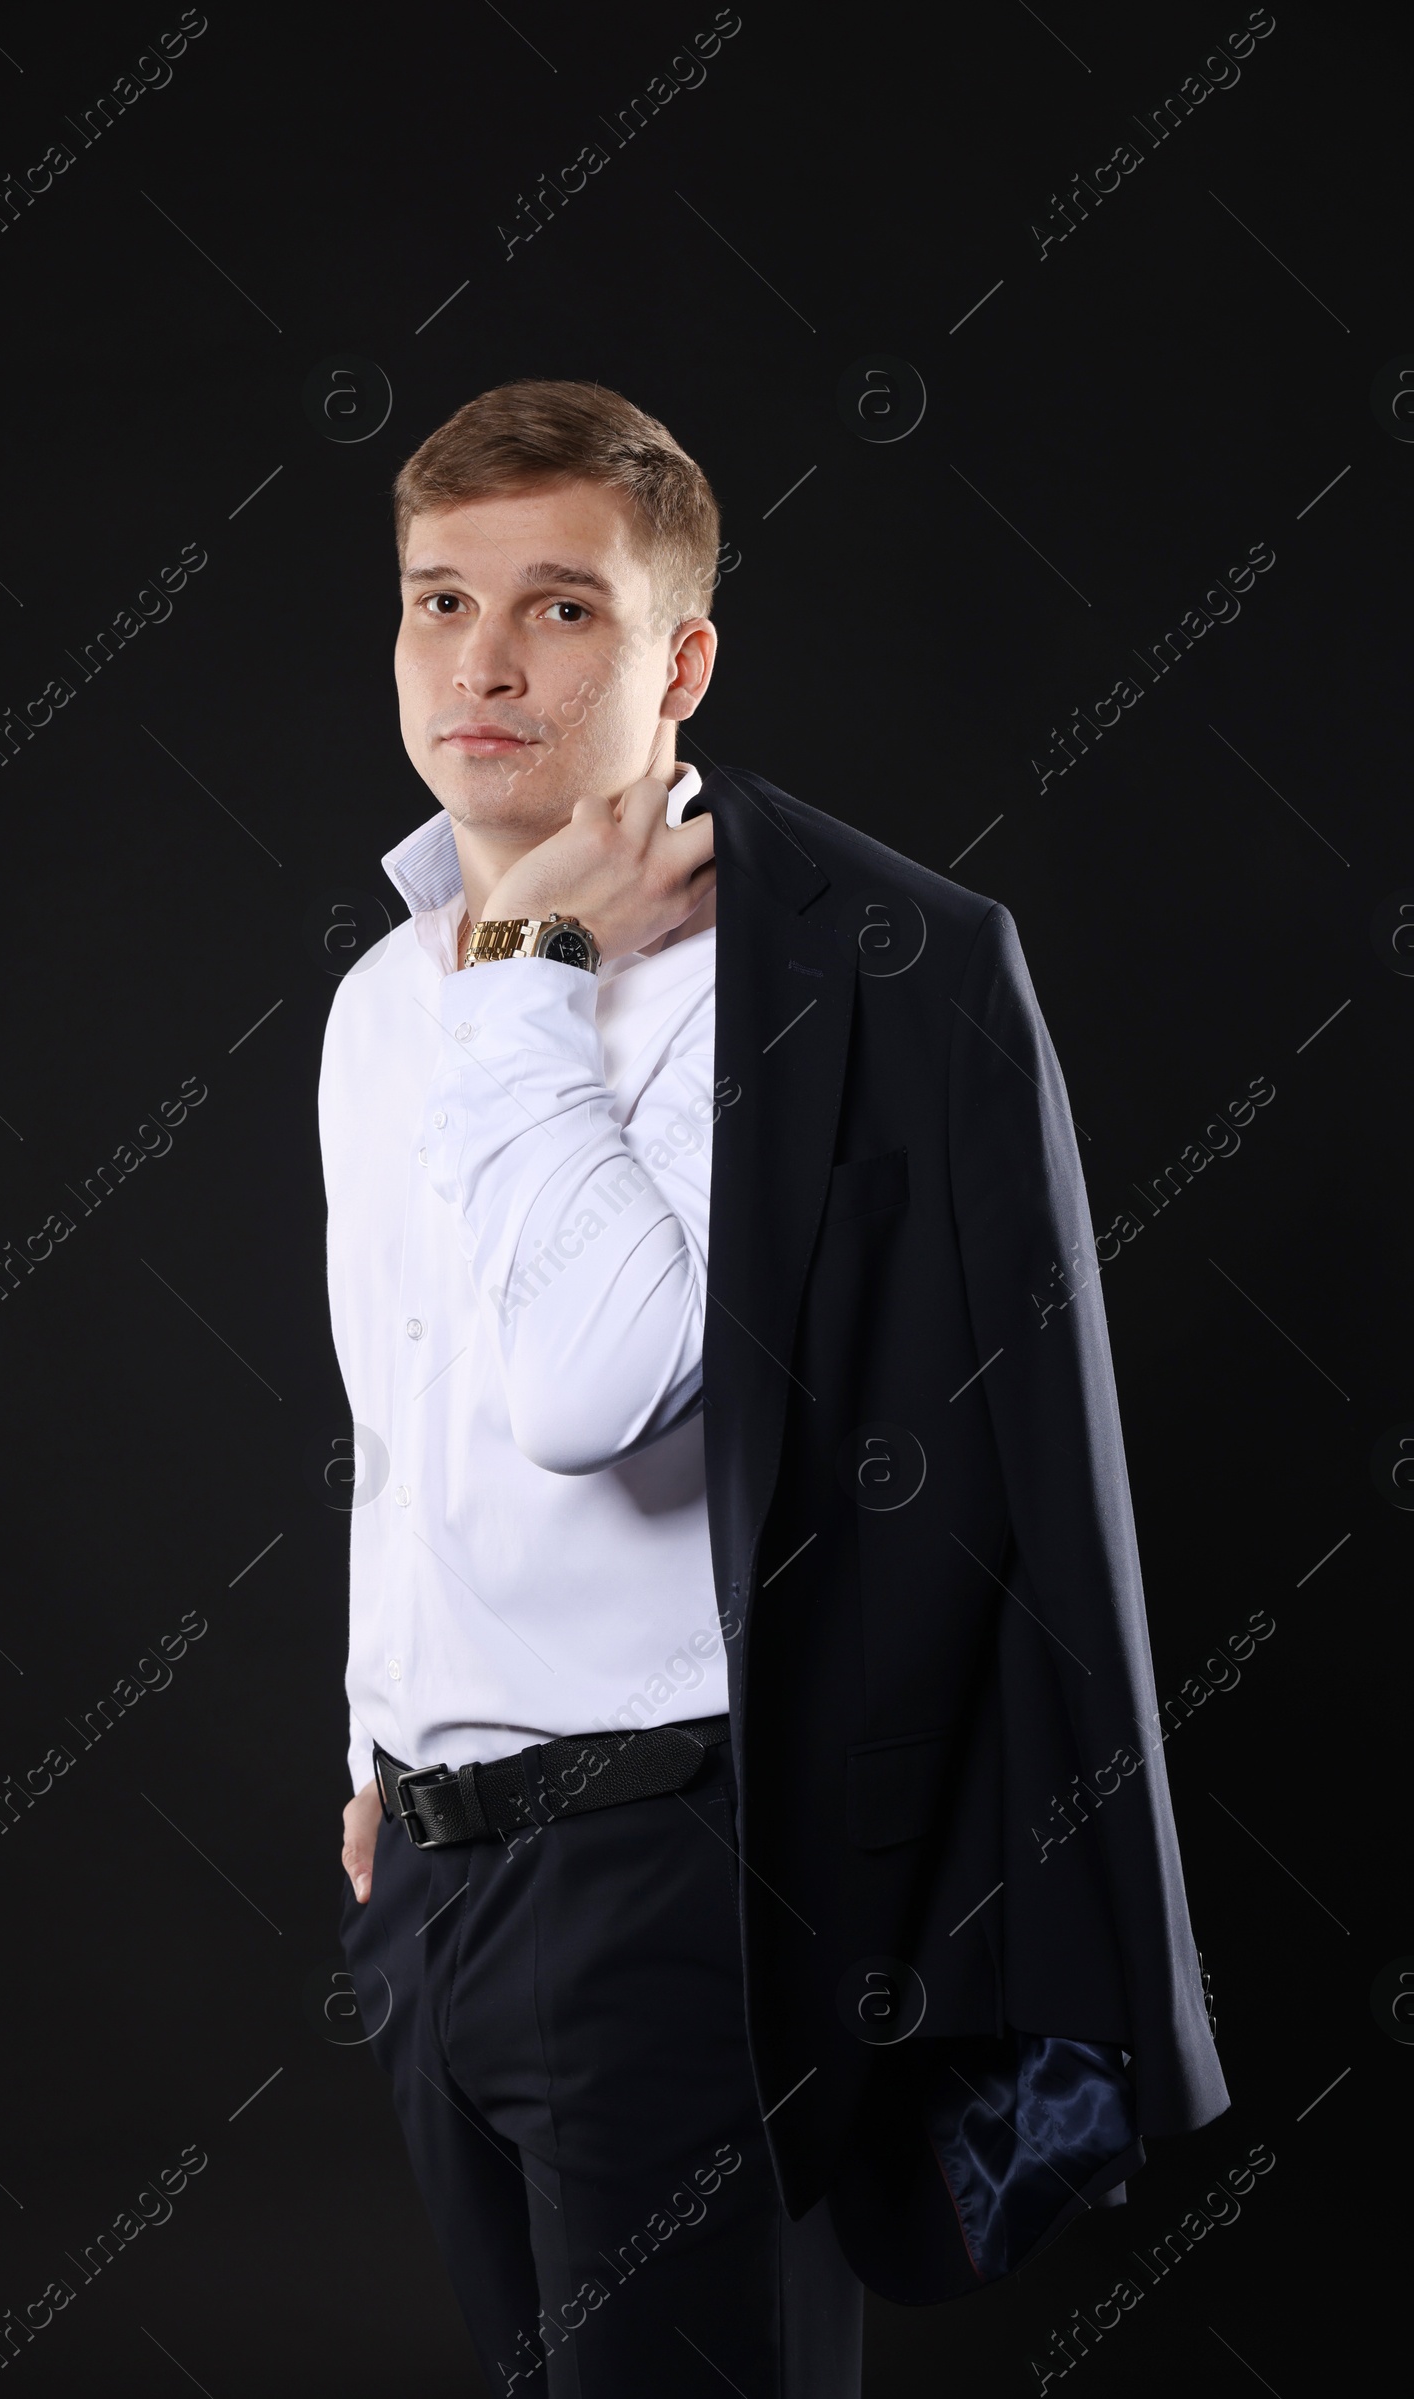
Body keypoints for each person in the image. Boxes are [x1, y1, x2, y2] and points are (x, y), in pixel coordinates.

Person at [319, 381, 1229, 2396]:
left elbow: (589, 1388)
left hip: (685, 1882)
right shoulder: (386, 1002)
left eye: (560, 608)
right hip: (435, 1896)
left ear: (681, 659)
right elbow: (413, 1431)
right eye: (434, 600)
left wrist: (543, 966)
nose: (481, 658)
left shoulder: (806, 983)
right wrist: (382, 1747)